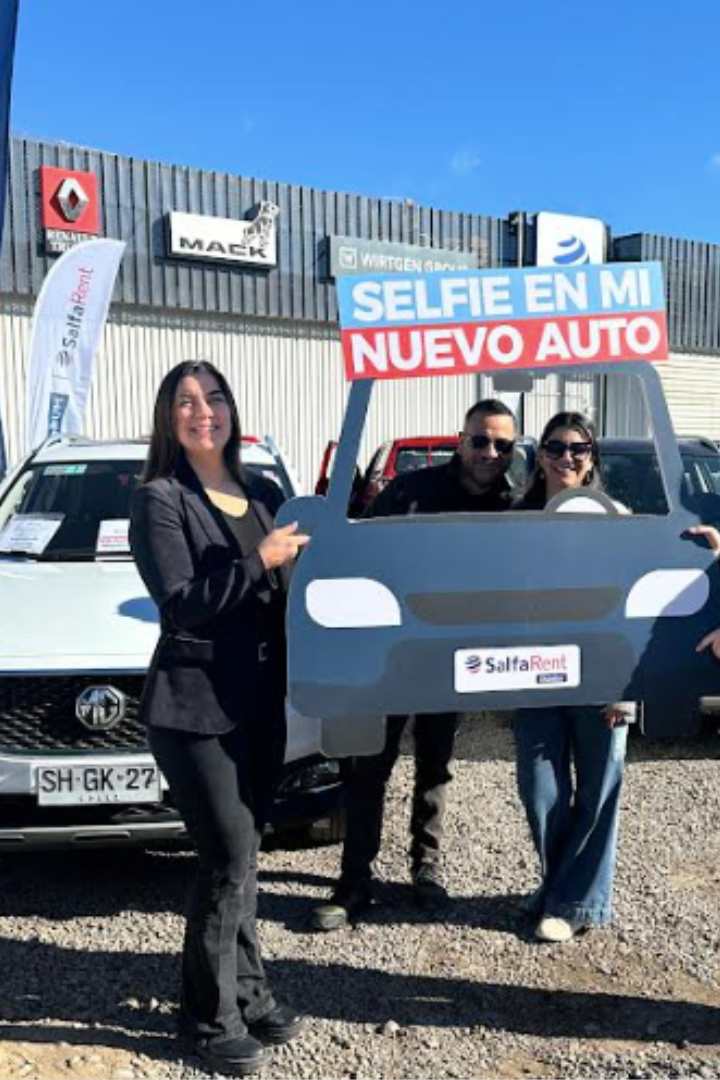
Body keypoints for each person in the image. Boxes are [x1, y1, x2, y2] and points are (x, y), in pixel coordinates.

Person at [129, 360, 309, 1077]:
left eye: (214, 398)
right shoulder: (160, 499)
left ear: (232, 410)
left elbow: (294, 591)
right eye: (185, 401)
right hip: (194, 706)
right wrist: (261, 559)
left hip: (259, 701)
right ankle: (206, 1019)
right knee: (226, 859)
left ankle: (250, 994)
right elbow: (181, 604)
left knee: (246, 857)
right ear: (167, 417)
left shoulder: (262, 491)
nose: (203, 411)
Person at [312, 399, 518, 931]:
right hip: (388, 655)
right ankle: (354, 882)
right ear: (461, 440)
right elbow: (359, 553)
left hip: (452, 660)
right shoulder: (409, 491)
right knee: (369, 768)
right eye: (480, 440)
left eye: (502, 444)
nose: (489, 452)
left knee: (435, 767)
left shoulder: (514, 507)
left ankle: (425, 871)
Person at [512, 411, 634, 944]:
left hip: (604, 676)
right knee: (540, 790)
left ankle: (576, 902)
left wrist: (707, 550)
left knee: (599, 791)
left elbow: (640, 601)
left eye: (579, 449)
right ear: (540, 455)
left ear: (591, 459)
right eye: (557, 447)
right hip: (533, 675)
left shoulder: (620, 520)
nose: (567, 457)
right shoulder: (513, 522)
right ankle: (560, 887)